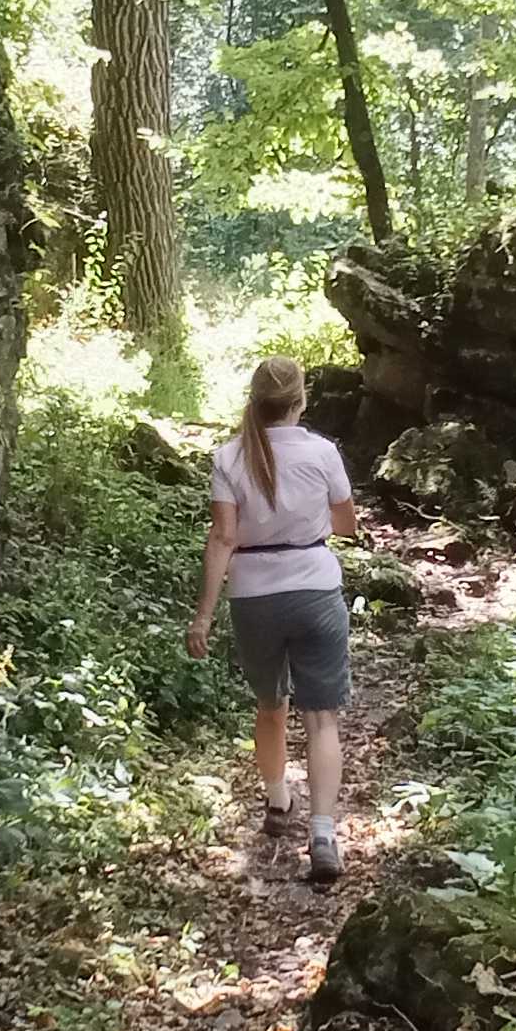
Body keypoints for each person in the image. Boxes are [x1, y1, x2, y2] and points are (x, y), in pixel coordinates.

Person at [184, 356, 359, 883]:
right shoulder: (323, 453)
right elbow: (347, 525)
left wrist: (203, 616)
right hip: (315, 589)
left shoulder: (229, 457)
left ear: (255, 401)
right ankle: (323, 835)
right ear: (301, 400)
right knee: (322, 718)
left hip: (253, 597)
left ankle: (279, 801)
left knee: (270, 705)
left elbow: (222, 538)